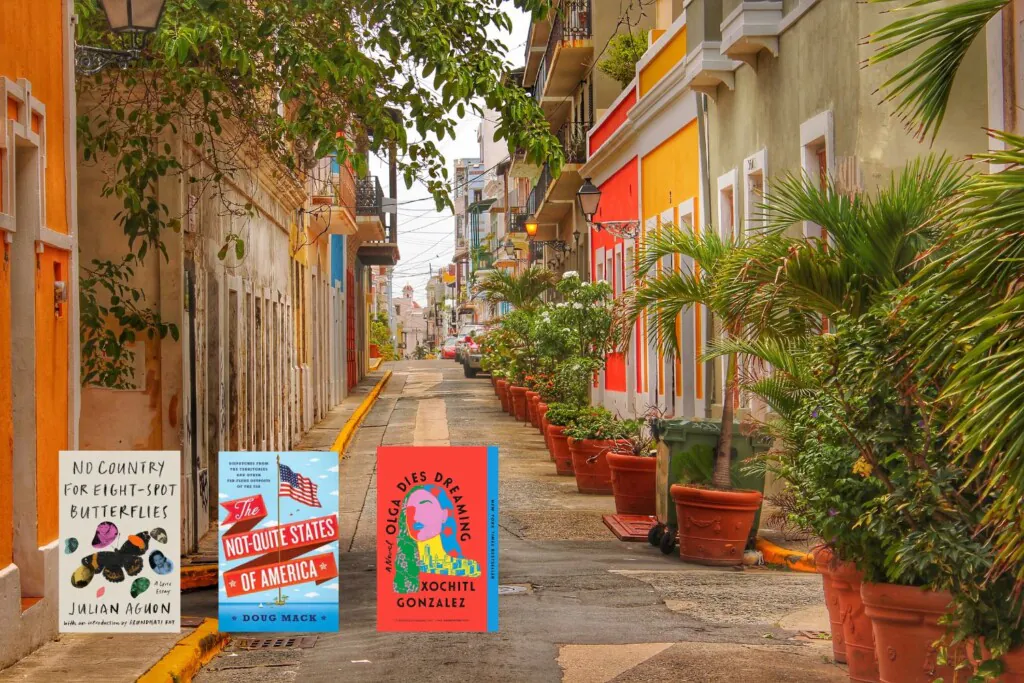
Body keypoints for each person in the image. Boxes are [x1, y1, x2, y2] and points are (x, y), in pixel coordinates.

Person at [393, 484, 480, 594]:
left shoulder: (468, 568)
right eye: (410, 510)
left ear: (444, 515)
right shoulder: (404, 571)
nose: (415, 517)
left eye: (425, 506)